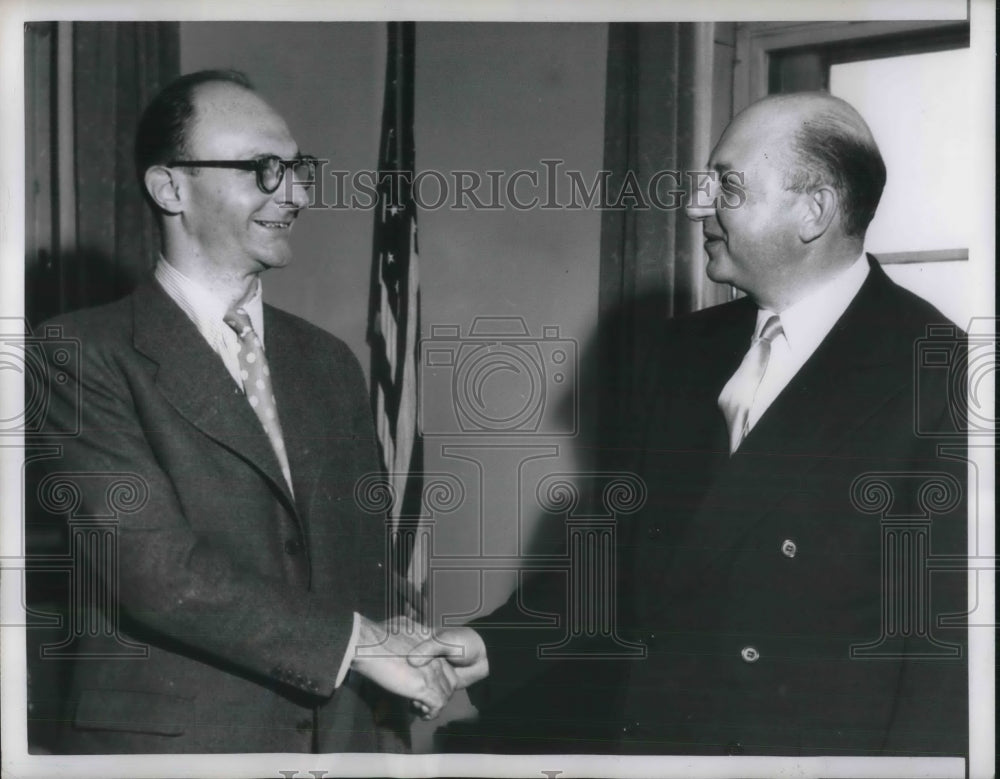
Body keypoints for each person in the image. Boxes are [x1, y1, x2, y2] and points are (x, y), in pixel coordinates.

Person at [410, 92, 968, 757]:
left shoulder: (937, 370)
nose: (696, 204)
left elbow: (944, 662)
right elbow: (618, 555)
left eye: (726, 185)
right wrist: (492, 643)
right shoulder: (681, 353)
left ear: (812, 210)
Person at [32, 69, 456, 754]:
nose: (296, 194)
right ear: (170, 187)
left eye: (298, 169)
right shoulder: (76, 354)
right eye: (264, 169)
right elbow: (156, 573)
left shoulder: (329, 360)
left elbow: (367, 568)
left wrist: (395, 687)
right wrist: (362, 643)